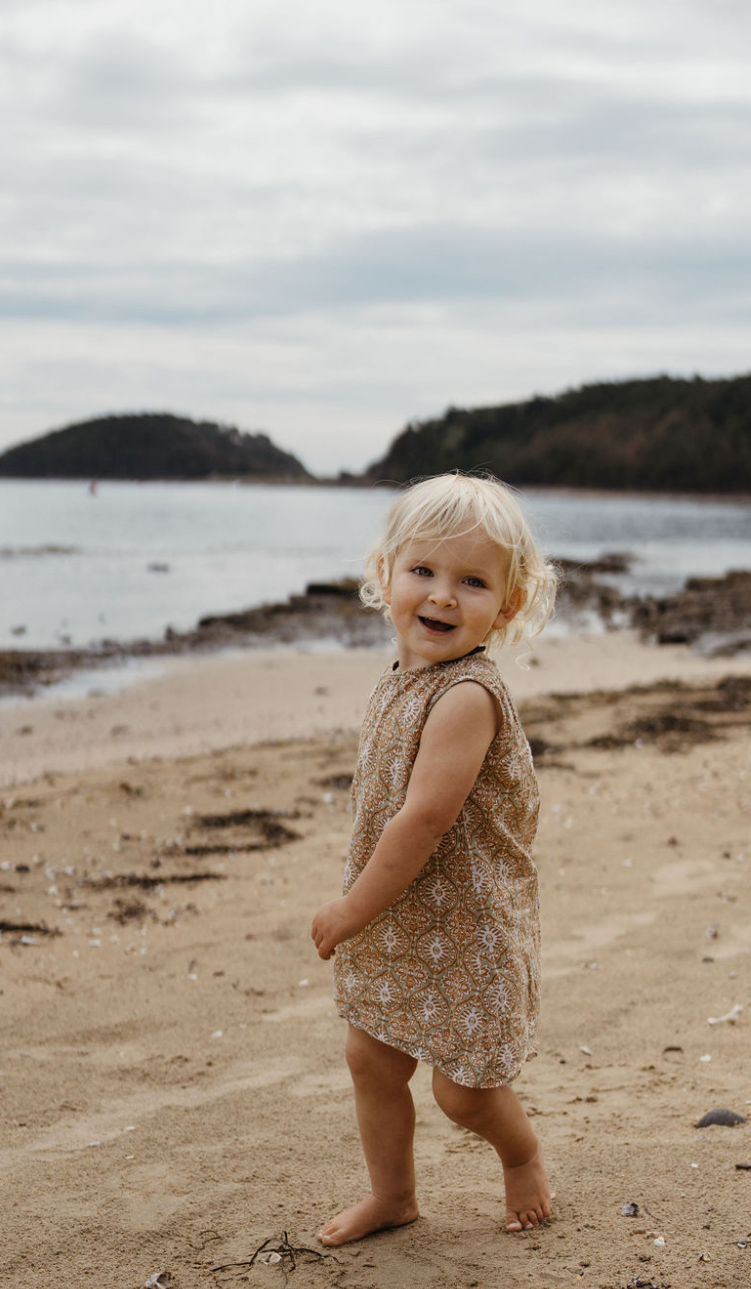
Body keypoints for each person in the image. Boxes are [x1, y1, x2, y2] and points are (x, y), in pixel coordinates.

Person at [311, 472, 558, 1247]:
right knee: (371, 1057)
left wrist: (351, 907)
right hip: (406, 913)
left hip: (468, 926)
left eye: (472, 581)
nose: (443, 597)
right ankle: (393, 1196)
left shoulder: (466, 697)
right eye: (423, 571)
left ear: (508, 606)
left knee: (465, 1091)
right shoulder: (402, 679)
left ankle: (521, 1155)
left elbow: (422, 820)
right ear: (385, 574)